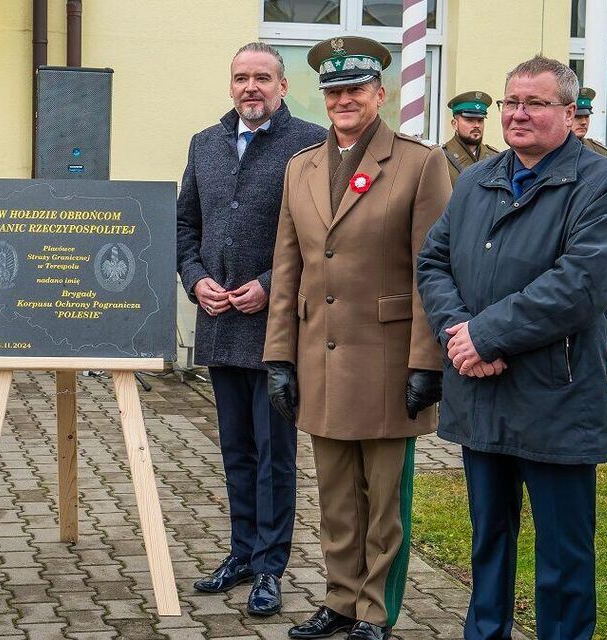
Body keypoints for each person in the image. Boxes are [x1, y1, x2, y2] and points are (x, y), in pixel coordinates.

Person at [417, 55, 607, 640]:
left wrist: (485, 335)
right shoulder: (475, 181)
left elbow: (581, 284)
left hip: (555, 396)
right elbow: (433, 261)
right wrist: (459, 332)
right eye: (510, 102)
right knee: (488, 540)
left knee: (564, 554)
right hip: (482, 391)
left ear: (568, 112)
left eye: (535, 103)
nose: (517, 114)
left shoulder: (603, 183)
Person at [262, 36, 450, 640]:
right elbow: (287, 267)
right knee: (337, 497)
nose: (343, 100)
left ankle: (375, 610)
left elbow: (432, 270)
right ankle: (340, 599)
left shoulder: (420, 164)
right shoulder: (301, 167)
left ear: (380, 94)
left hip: (388, 360)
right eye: (334, 91)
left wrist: (428, 362)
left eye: (355, 90)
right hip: (319, 357)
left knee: (384, 501)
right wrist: (278, 356)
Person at [176, 42, 325, 616]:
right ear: (231, 85)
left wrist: (269, 283)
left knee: (274, 455)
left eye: (263, 77)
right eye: (241, 77)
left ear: (283, 86)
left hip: (276, 327)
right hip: (219, 323)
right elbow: (185, 224)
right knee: (236, 451)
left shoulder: (309, 144)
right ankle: (241, 552)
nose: (251, 87)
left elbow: (319, 236)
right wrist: (195, 278)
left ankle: (270, 566)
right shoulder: (205, 143)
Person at [442, 91, 500, 185]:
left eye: (480, 120)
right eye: (469, 120)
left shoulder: (495, 157)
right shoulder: (441, 157)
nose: (477, 125)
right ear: (454, 124)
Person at [573, 87, 607, 157]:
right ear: (567, 116)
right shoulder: (553, 149)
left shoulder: (599, 152)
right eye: (577, 116)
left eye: (587, 116)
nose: (584, 122)